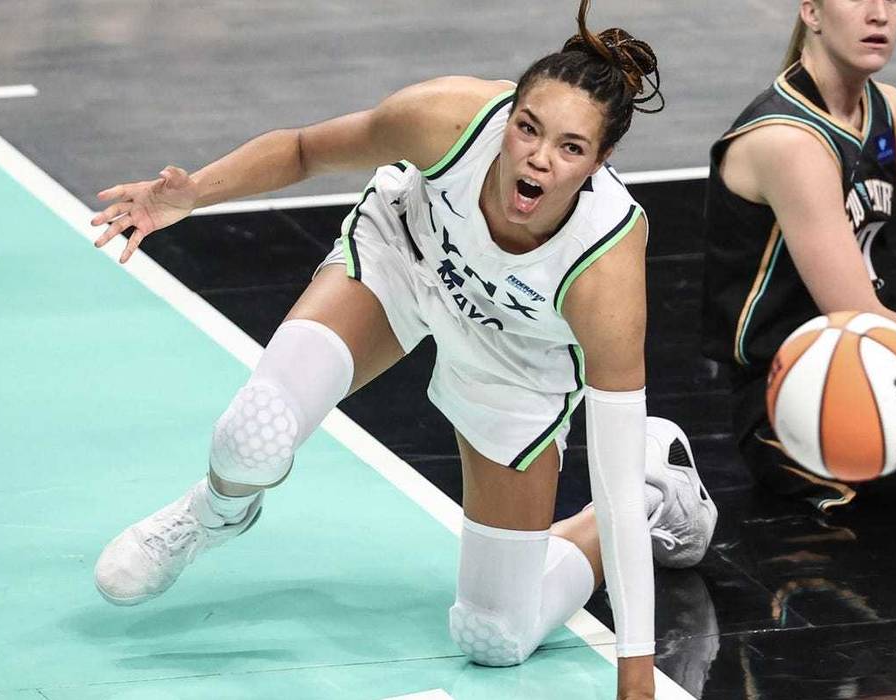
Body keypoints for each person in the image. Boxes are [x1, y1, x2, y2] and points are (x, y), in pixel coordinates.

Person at [89, 2, 718, 697]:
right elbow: (304, 149)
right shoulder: (449, 118)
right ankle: (212, 513)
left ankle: (660, 486)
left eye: (570, 147)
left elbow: (606, 453)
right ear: (507, 113)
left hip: (515, 358)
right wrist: (188, 196)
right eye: (527, 128)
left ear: (600, 163)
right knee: (253, 434)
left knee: (496, 638)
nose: (538, 156)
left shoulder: (605, 265)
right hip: (406, 262)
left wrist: (636, 673)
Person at [700, 0, 896, 513]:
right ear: (810, 11)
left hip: (885, 365)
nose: (879, 14)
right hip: (793, 402)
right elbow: (860, 321)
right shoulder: (789, 141)